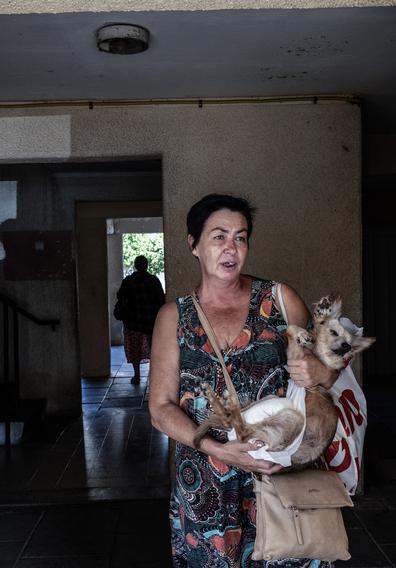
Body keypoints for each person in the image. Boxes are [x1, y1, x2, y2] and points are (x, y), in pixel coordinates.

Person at [148, 194, 340, 567]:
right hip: (207, 482)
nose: (231, 248)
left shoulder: (279, 300)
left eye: (241, 237)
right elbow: (159, 409)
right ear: (193, 244)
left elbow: (325, 373)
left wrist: (321, 372)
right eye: (219, 237)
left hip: (281, 473)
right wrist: (217, 449)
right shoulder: (174, 318)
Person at [114, 255, 166, 384]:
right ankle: (153, 375)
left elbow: (120, 296)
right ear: (146, 265)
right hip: (151, 322)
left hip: (133, 323)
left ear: (135, 265)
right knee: (154, 349)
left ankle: (137, 376)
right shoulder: (153, 281)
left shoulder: (129, 281)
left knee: (134, 349)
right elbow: (161, 299)